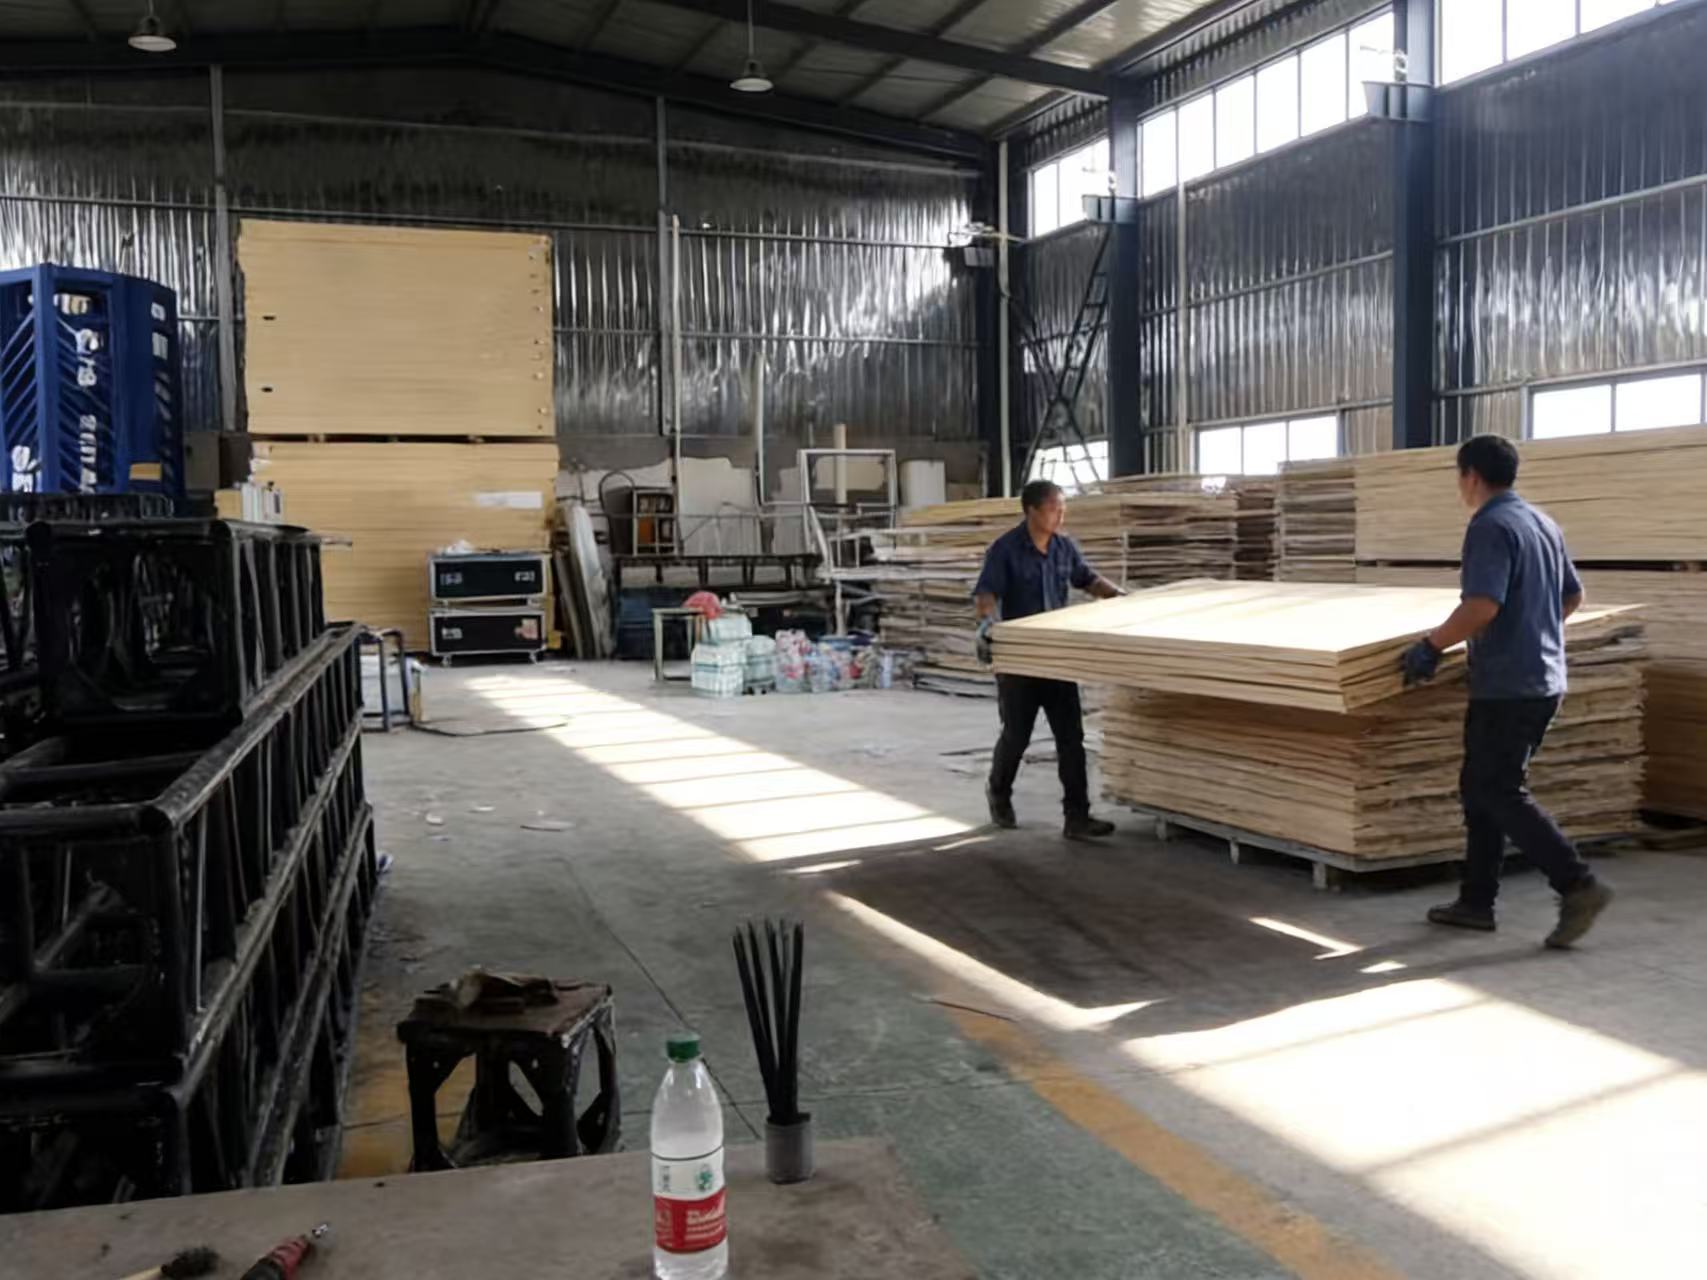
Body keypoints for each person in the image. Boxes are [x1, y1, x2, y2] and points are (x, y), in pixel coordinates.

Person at [1399, 434, 1613, 948]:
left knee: (1498, 790)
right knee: (1480, 789)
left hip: (1508, 686)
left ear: (1471, 476)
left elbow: (1481, 606)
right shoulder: (1542, 523)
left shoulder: (1490, 526)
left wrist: (1431, 647)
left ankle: (1577, 884)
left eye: (1459, 478)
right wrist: (1532, 631)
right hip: (1542, 679)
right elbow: (1573, 596)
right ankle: (1476, 902)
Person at [973, 479, 1125, 841]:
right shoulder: (1005, 550)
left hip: (1056, 658)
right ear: (1032, 511)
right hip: (1020, 662)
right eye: (1055, 508)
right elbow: (986, 594)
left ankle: (1077, 817)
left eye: (1063, 508)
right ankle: (999, 792)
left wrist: (1122, 597)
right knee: (1017, 736)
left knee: (1071, 737)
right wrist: (987, 624)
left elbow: (1087, 579)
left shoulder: (1063, 547)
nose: (1061, 515)